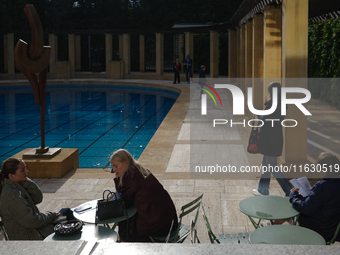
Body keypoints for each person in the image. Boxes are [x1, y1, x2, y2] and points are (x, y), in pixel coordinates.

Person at [110, 149, 178, 242]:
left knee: (124, 225)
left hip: (161, 229)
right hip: (171, 221)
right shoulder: (139, 169)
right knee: (128, 223)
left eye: (115, 166)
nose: (114, 170)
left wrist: (118, 180)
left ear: (125, 162)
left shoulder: (130, 176)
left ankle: (123, 244)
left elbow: (124, 203)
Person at [275, 152, 340, 243]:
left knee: (289, 207)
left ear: (325, 169)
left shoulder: (322, 186)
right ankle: (272, 226)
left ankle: (271, 230)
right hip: (333, 228)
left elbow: (305, 208)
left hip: (317, 228)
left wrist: (293, 195)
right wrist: (313, 194)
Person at [0, 158, 62, 240]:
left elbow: (37, 198)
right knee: (68, 216)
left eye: (25, 168)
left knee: (67, 215)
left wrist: (26, 182)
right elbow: (32, 221)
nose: (27, 171)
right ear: (11, 176)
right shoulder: (12, 195)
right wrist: (52, 215)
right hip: (32, 238)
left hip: (36, 231)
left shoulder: (17, 185)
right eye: (22, 170)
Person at [252, 82, 292, 196]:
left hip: (270, 138)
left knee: (272, 166)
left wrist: (259, 114)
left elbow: (267, 119)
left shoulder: (273, 103)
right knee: (266, 164)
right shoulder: (282, 102)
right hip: (274, 136)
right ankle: (262, 190)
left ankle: (289, 191)